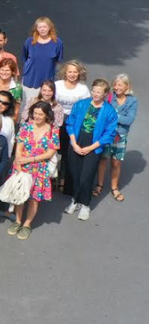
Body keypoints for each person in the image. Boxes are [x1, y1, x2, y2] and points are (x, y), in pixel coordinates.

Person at [64, 79, 118, 221]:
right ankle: (75, 200)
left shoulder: (109, 111)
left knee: (86, 176)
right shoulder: (81, 104)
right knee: (75, 174)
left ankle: (85, 205)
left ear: (106, 94)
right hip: (77, 139)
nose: (95, 94)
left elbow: (109, 134)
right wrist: (74, 143)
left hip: (94, 145)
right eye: (94, 90)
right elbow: (70, 123)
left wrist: (90, 148)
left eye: (99, 92)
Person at [8, 102, 62, 239]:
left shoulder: (53, 131)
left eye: (40, 114)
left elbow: (50, 153)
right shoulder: (25, 127)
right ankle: (18, 221)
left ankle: (27, 224)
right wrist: (19, 167)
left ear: (46, 115)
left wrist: (30, 160)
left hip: (39, 169)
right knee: (20, 196)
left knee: (34, 199)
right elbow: (18, 148)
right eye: (35, 113)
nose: (37, 116)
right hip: (22, 166)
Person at [98, 74, 138, 202]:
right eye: (115, 84)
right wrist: (116, 117)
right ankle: (99, 184)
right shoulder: (109, 98)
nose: (116, 87)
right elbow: (102, 114)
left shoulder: (132, 101)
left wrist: (113, 115)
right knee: (103, 159)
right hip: (107, 134)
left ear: (127, 86)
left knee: (116, 162)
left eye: (119, 85)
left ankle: (114, 188)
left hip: (120, 135)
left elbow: (129, 120)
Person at [54, 59, 91, 194]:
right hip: (56, 122)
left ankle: (63, 179)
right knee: (52, 150)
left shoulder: (83, 89)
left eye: (75, 72)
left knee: (66, 153)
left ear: (79, 73)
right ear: (65, 72)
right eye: (70, 71)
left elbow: (86, 107)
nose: (72, 74)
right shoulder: (57, 85)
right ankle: (50, 177)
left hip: (72, 124)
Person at [21, 17, 64, 113]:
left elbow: (57, 60)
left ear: (50, 28)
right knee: (28, 108)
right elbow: (25, 57)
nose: (42, 29)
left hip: (47, 80)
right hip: (30, 80)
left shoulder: (57, 42)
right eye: (40, 27)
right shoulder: (29, 41)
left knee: (44, 109)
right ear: (36, 28)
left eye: (45, 27)